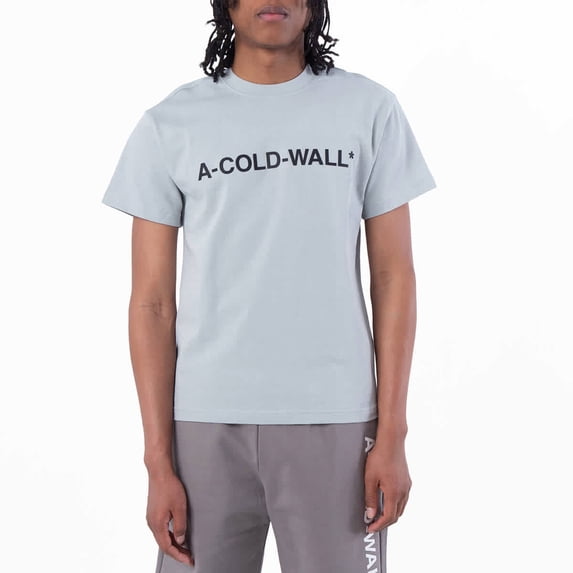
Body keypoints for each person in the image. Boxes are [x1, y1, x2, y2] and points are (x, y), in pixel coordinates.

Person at [101, 1, 437, 571]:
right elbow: (152, 304)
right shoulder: (171, 124)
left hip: (337, 417)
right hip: (204, 422)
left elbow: (393, 276)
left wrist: (392, 434)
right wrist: (158, 461)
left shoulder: (369, 110)